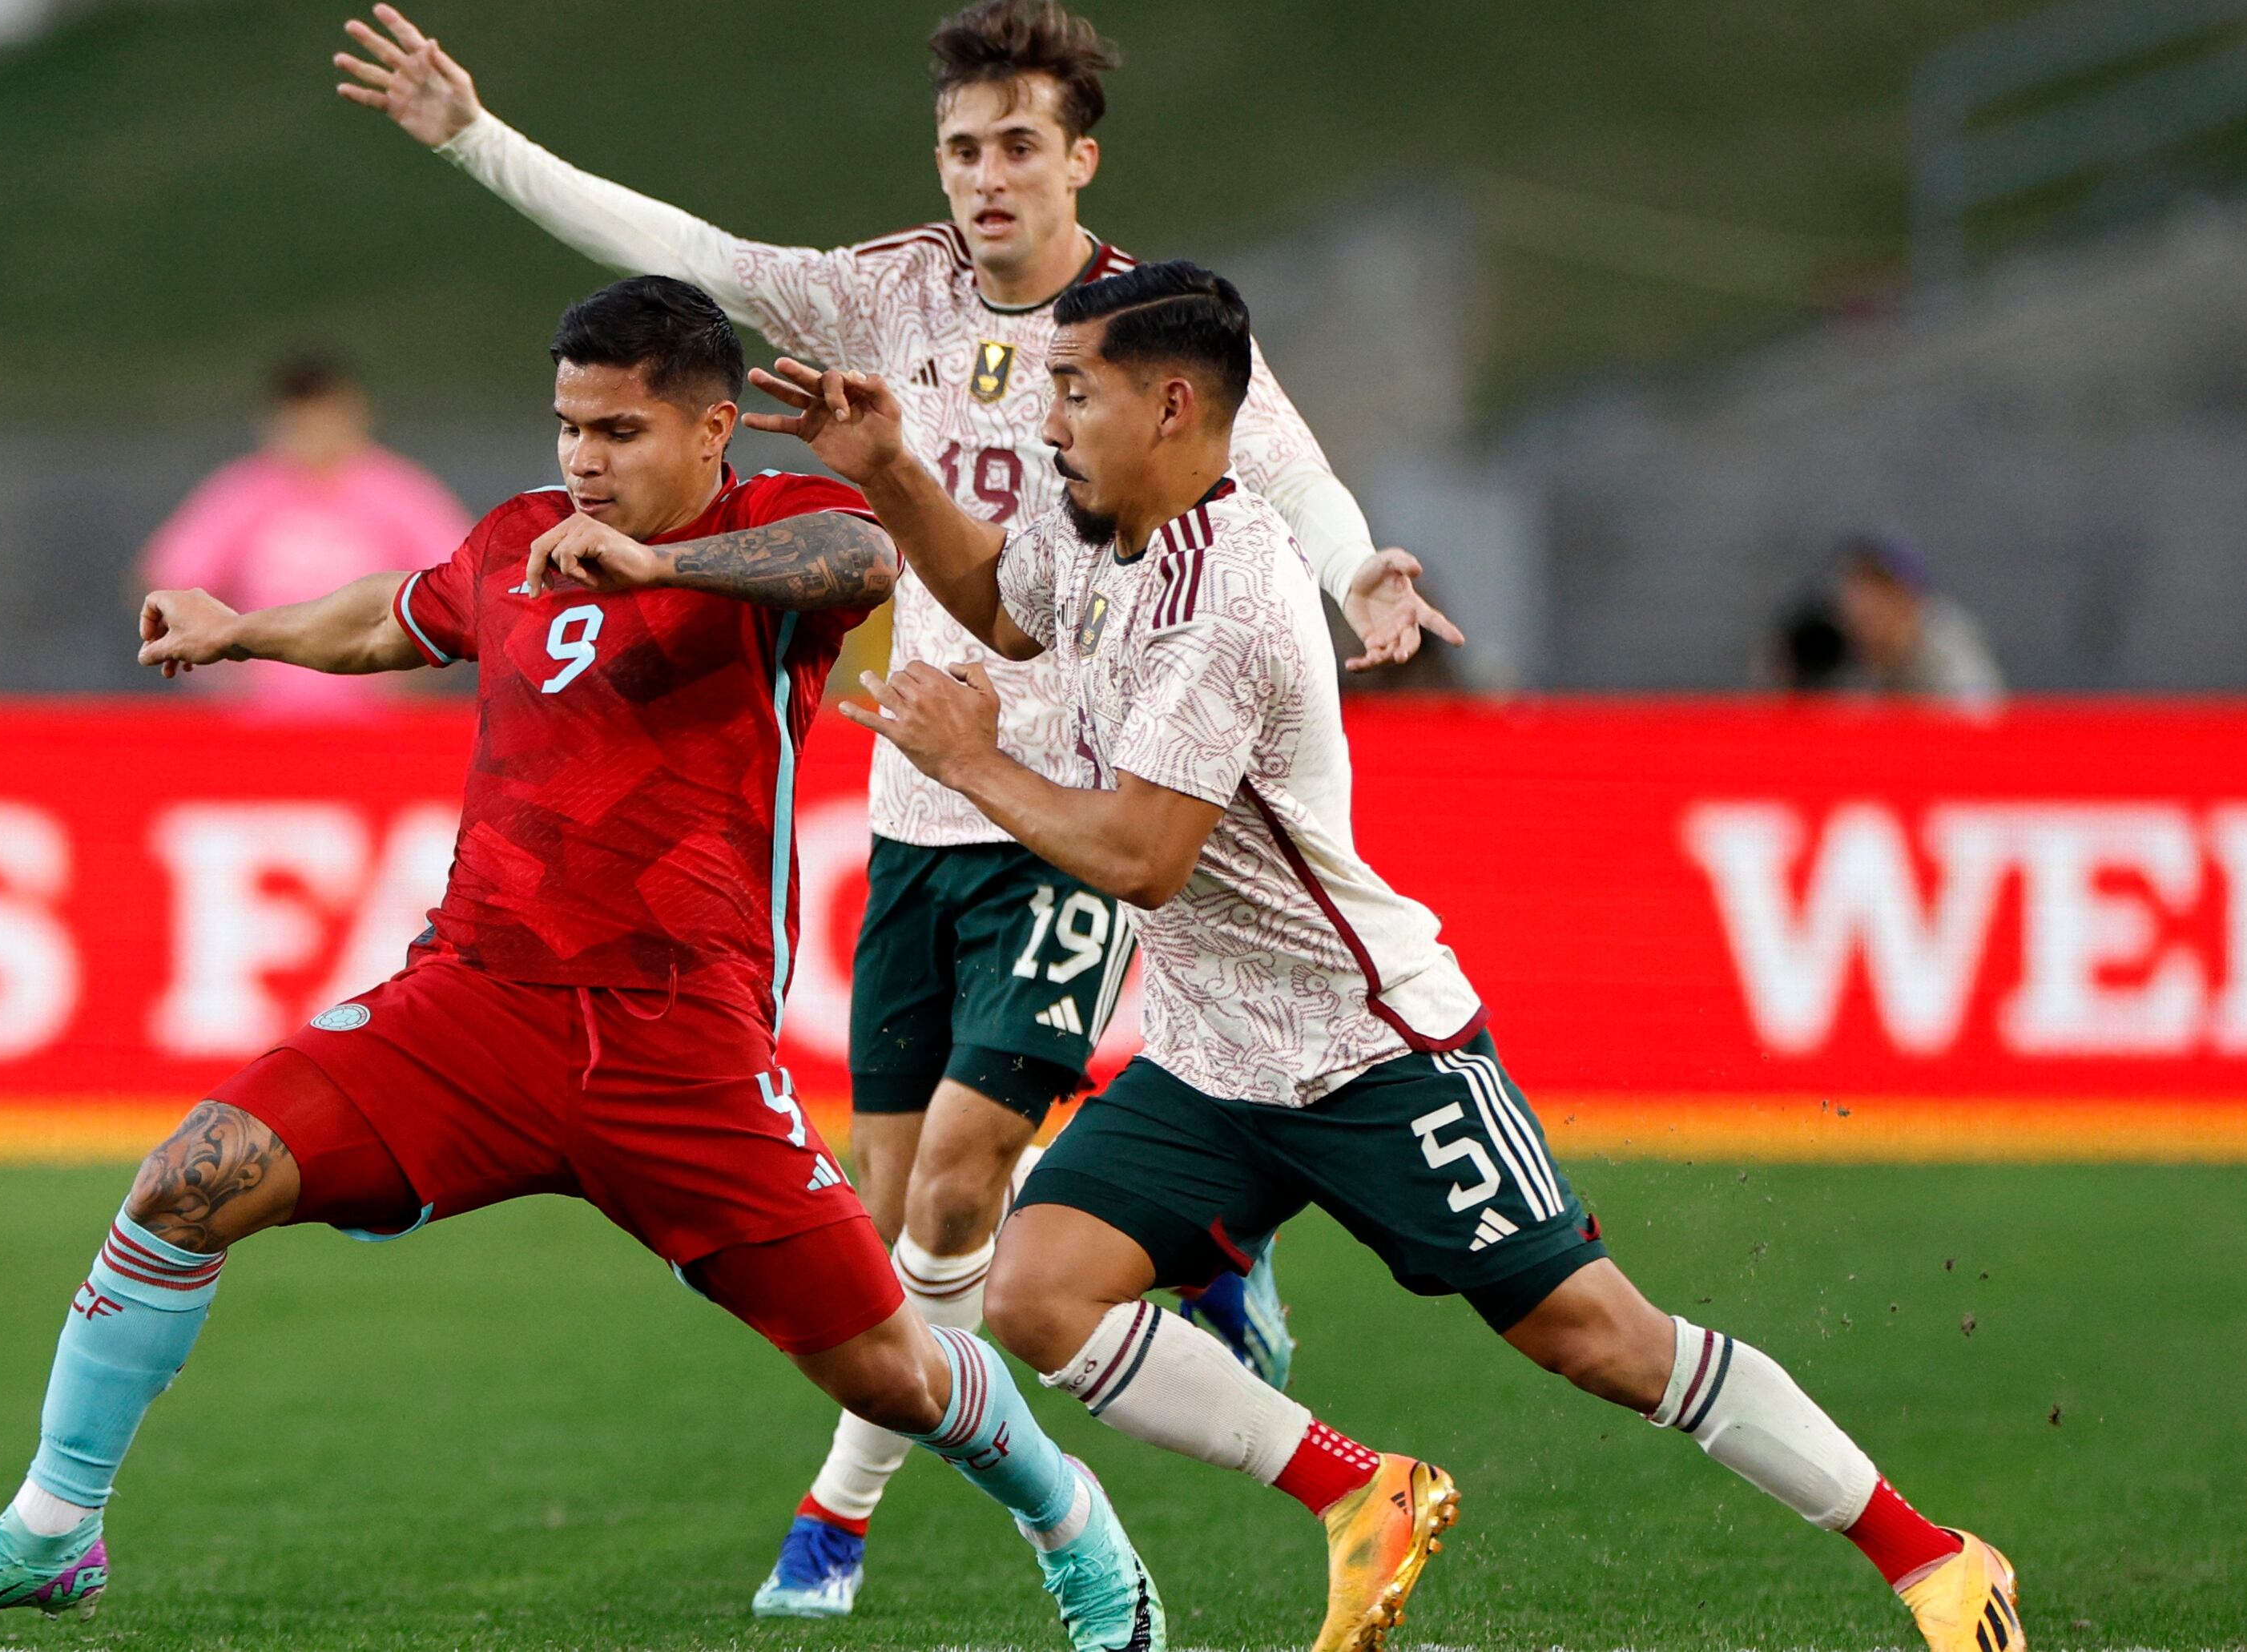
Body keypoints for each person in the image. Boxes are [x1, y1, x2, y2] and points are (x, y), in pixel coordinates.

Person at [0, 276, 1173, 1652]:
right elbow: (396, 614)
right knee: (188, 1179)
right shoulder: (521, 539)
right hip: (469, 1005)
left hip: (677, 1047)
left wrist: (666, 568)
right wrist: (243, 628)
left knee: (890, 1367)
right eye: (567, 427)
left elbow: (863, 563)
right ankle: (57, 1531)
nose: (583, 459)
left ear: (715, 429)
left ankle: (1075, 1529)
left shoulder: (768, 533)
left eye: (618, 430)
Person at [337, 2, 1463, 1611]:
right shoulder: (887, 287)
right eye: (960, 148)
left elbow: (1281, 462)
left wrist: (1361, 568)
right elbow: (688, 247)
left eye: (1017, 145)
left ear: (1081, 156)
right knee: (886, 1206)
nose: (985, 176)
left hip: (1066, 793)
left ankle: (840, 1509)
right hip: (921, 794)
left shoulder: (1148, 327)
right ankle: (1204, 1218)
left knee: (953, 1185)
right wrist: (472, 135)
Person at [755, 260, 2026, 1652]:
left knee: (1596, 1338)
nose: (1044, 421)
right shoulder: (1105, 526)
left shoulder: (1228, 599)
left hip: (1364, 1047)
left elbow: (1140, 856)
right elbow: (1003, 605)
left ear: (1171, 405)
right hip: (1210, 1053)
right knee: (1036, 1289)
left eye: (1074, 391)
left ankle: (1935, 1558)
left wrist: (973, 760)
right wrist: (886, 468)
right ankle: (1359, 1495)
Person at [138, 353, 473, 716]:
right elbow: (168, 583)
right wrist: (224, 677)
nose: (315, 433)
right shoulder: (244, 493)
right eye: (301, 421)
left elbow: (464, 591)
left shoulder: (396, 492)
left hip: (373, 721)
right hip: (265, 719)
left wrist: (411, 679)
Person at [1830, 532, 2004, 710]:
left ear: (1911, 598)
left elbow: (1978, 720)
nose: (1864, 604)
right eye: (1857, 588)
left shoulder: (1947, 656)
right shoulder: (1841, 655)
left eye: (1881, 588)